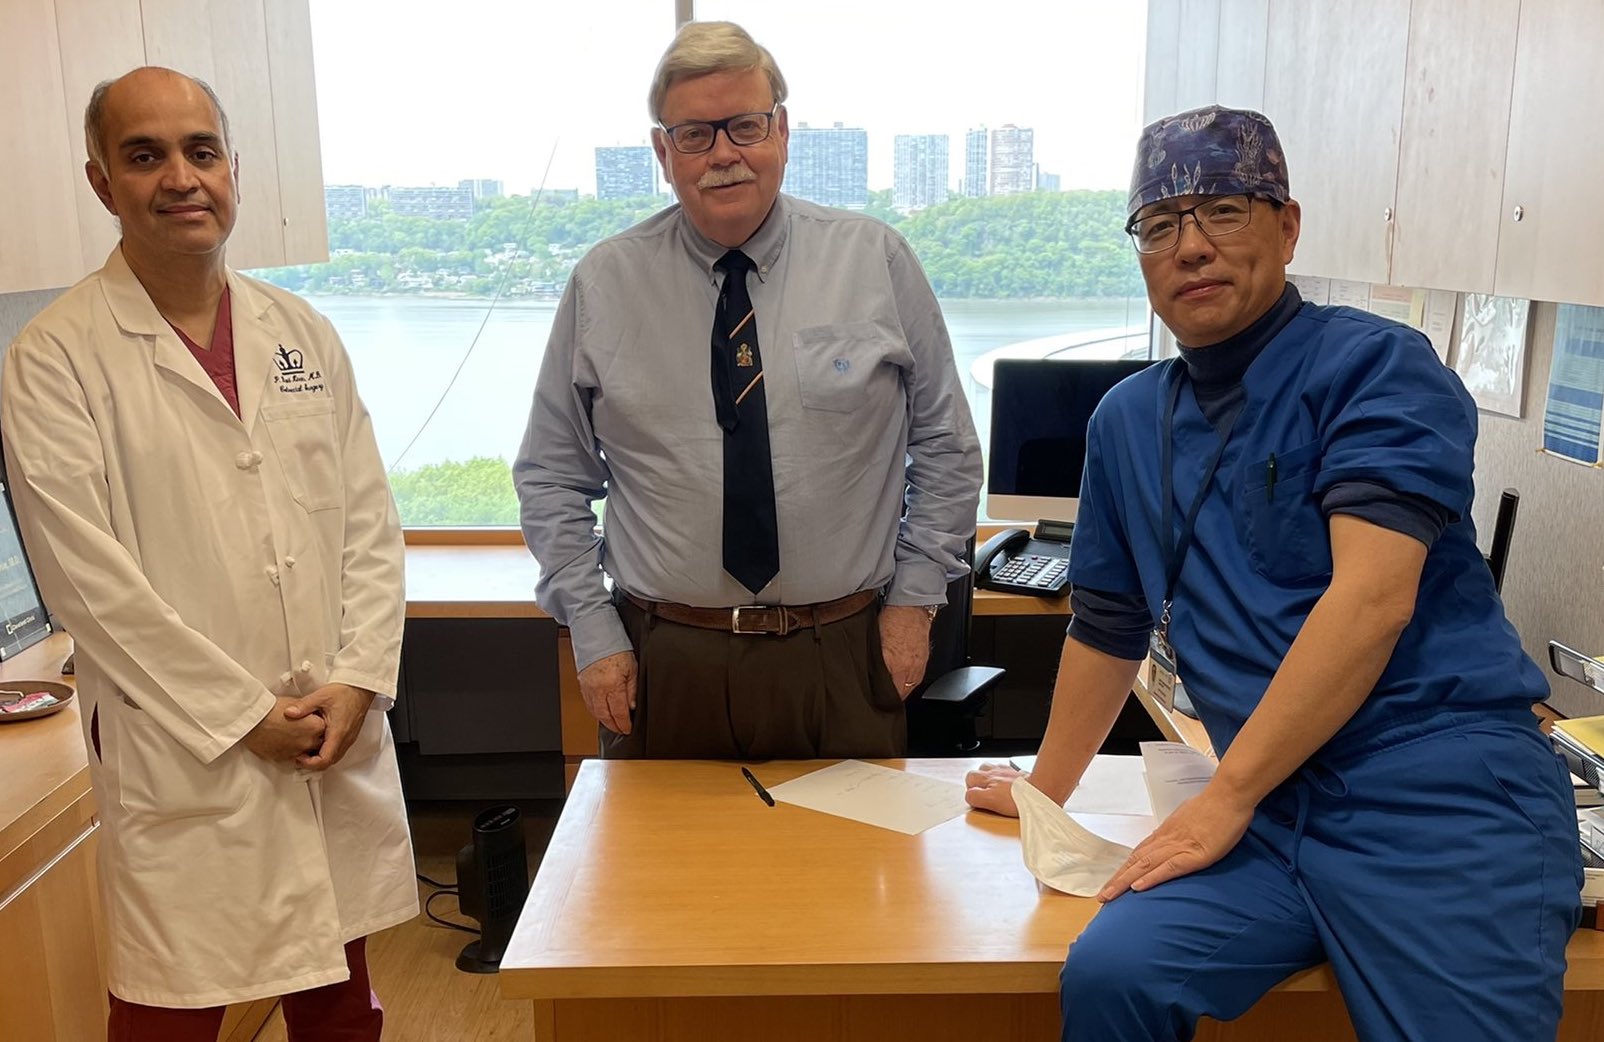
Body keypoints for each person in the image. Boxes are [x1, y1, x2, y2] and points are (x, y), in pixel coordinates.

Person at [965, 105, 1580, 1042]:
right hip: (1271, 806)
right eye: (1160, 225)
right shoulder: (1127, 422)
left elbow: (1372, 601)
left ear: (1287, 226)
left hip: (1438, 796)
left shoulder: (1374, 367)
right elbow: (1108, 626)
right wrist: (1046, 794)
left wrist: (1228, 796)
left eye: (1223, 211)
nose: (1192, 246)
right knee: (1114, 973)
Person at [1, 67, 415, 1041]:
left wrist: (359, 678)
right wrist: (240, 714)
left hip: (326, 722)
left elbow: (368, 521)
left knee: (339, 998)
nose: (181, 177)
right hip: (185, 748)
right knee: (167, 1013)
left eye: (201, 150)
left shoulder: (299, 331)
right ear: (103, 181)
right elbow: (85, 582)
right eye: (145, 155)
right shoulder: (54, 355)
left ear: (235, 166)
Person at [513, 21, 982, 760]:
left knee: (849, 873)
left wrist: (915, 605)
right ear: (663, 153)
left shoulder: (876, 260)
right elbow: (549, 477)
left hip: (846, 652)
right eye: (695, 134)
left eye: (744, 125)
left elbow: (947, 451)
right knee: (662, 874)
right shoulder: (604, 284)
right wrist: (595, 630)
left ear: (783, 131)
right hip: (664, 660)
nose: (724, 153)